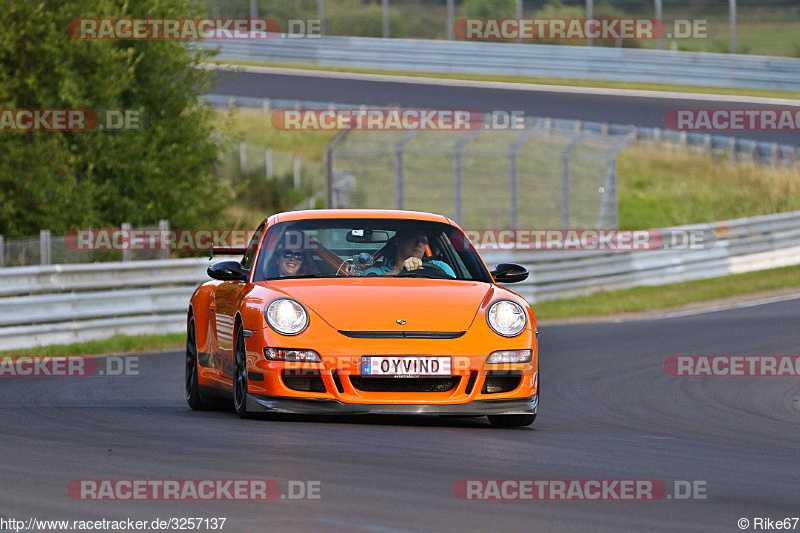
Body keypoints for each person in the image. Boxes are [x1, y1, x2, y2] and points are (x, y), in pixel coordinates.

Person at [364, 229, 455, 277]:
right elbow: (366, 288)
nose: (419, 244)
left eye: (423, 242)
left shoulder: (440, 267)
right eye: (413, 238)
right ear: (398, 241)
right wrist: (398, 271)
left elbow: (456, 290)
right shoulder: (376, 272)